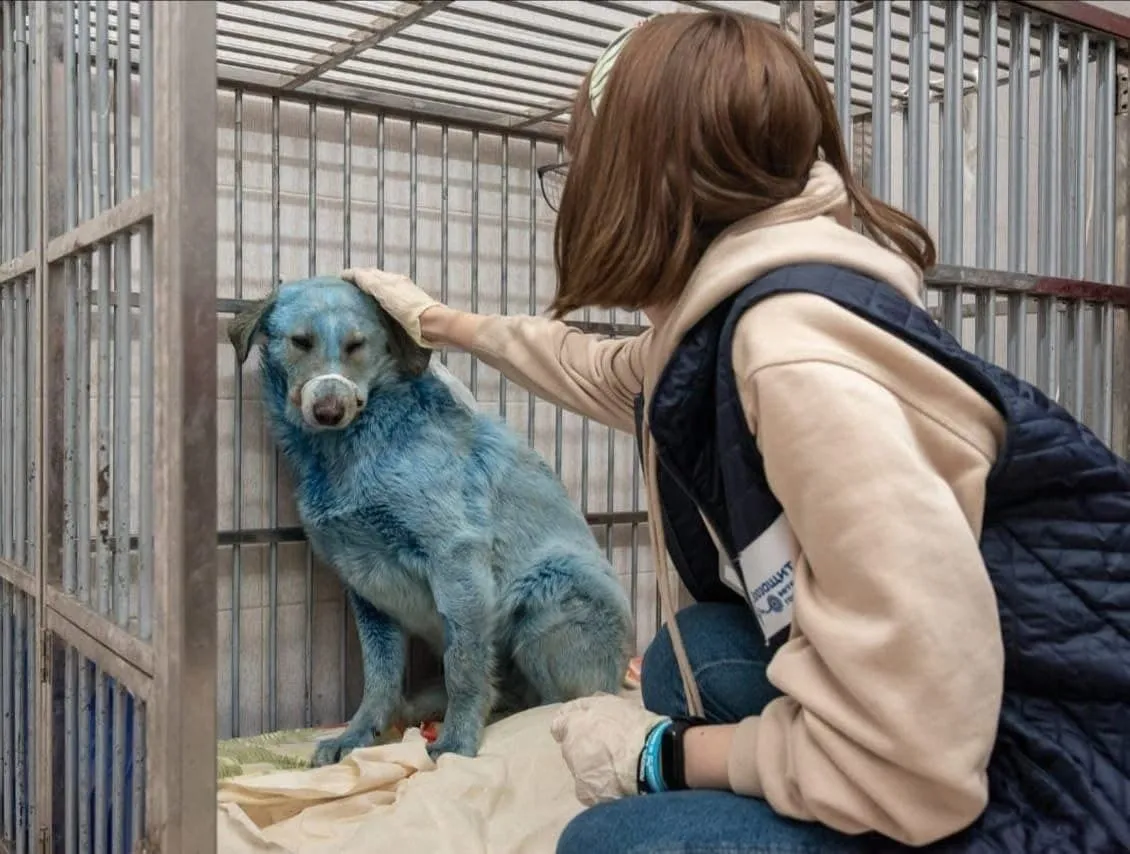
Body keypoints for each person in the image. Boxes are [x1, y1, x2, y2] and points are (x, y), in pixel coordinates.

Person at [343, 11, 1130, 854]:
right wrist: (440, 321)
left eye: (581, 163)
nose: (573, 186)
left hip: (1060, 771)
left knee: (605, 843)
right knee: (700, 650)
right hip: (990, 697)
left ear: (642, 175)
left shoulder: (789, 352)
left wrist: (670, 757)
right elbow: (601, 367)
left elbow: (919, 768)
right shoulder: (738, 316)